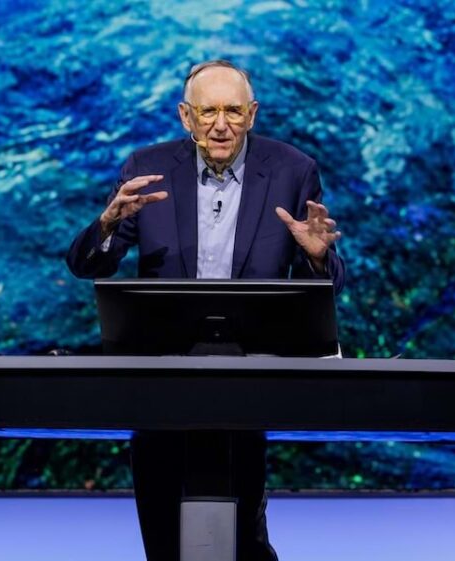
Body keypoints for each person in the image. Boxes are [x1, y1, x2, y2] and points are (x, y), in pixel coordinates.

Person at [67, 60, 344, 561]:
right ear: (185, 116)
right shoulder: (145, 168)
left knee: (244, 534)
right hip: (157, 376)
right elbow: (88, 266)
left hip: (251, 376)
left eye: (233, 111)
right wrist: (106, 224)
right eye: (207, 111)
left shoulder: (293, 170)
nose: (220, 125)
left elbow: (325, 287)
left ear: (252, 114)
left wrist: (317, 256)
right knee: (161, 532)